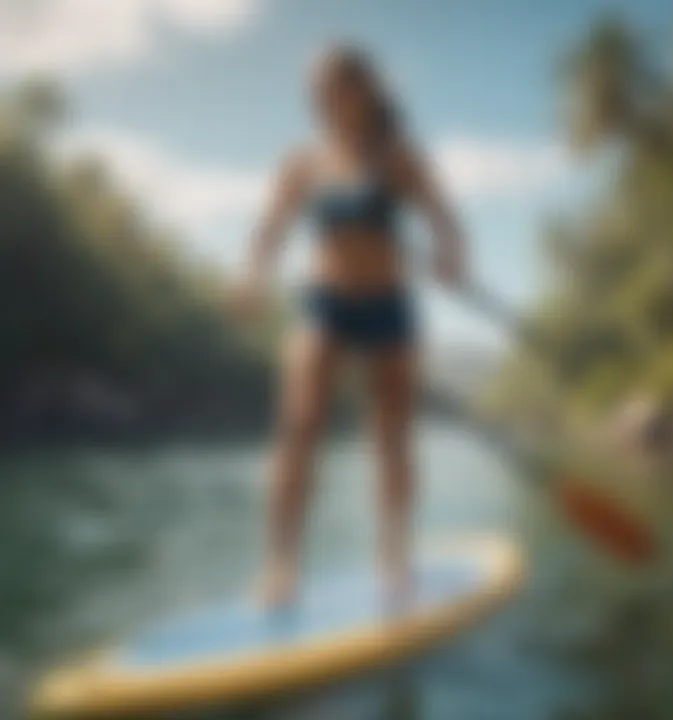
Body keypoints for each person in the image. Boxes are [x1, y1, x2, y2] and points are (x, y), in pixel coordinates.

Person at [235, 44, 467, 607]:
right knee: (297, 429)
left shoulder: (398, 158)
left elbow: (445, 220)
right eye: (314, 90)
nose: (317, 98)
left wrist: (449, 256)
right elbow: (270, 229)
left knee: (391, 440)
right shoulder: (303, 163)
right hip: (324, 304)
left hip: (389, 306)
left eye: (329, 86)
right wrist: (252, 278)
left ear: (362, 90)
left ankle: (393, 556)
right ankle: (282, 565)